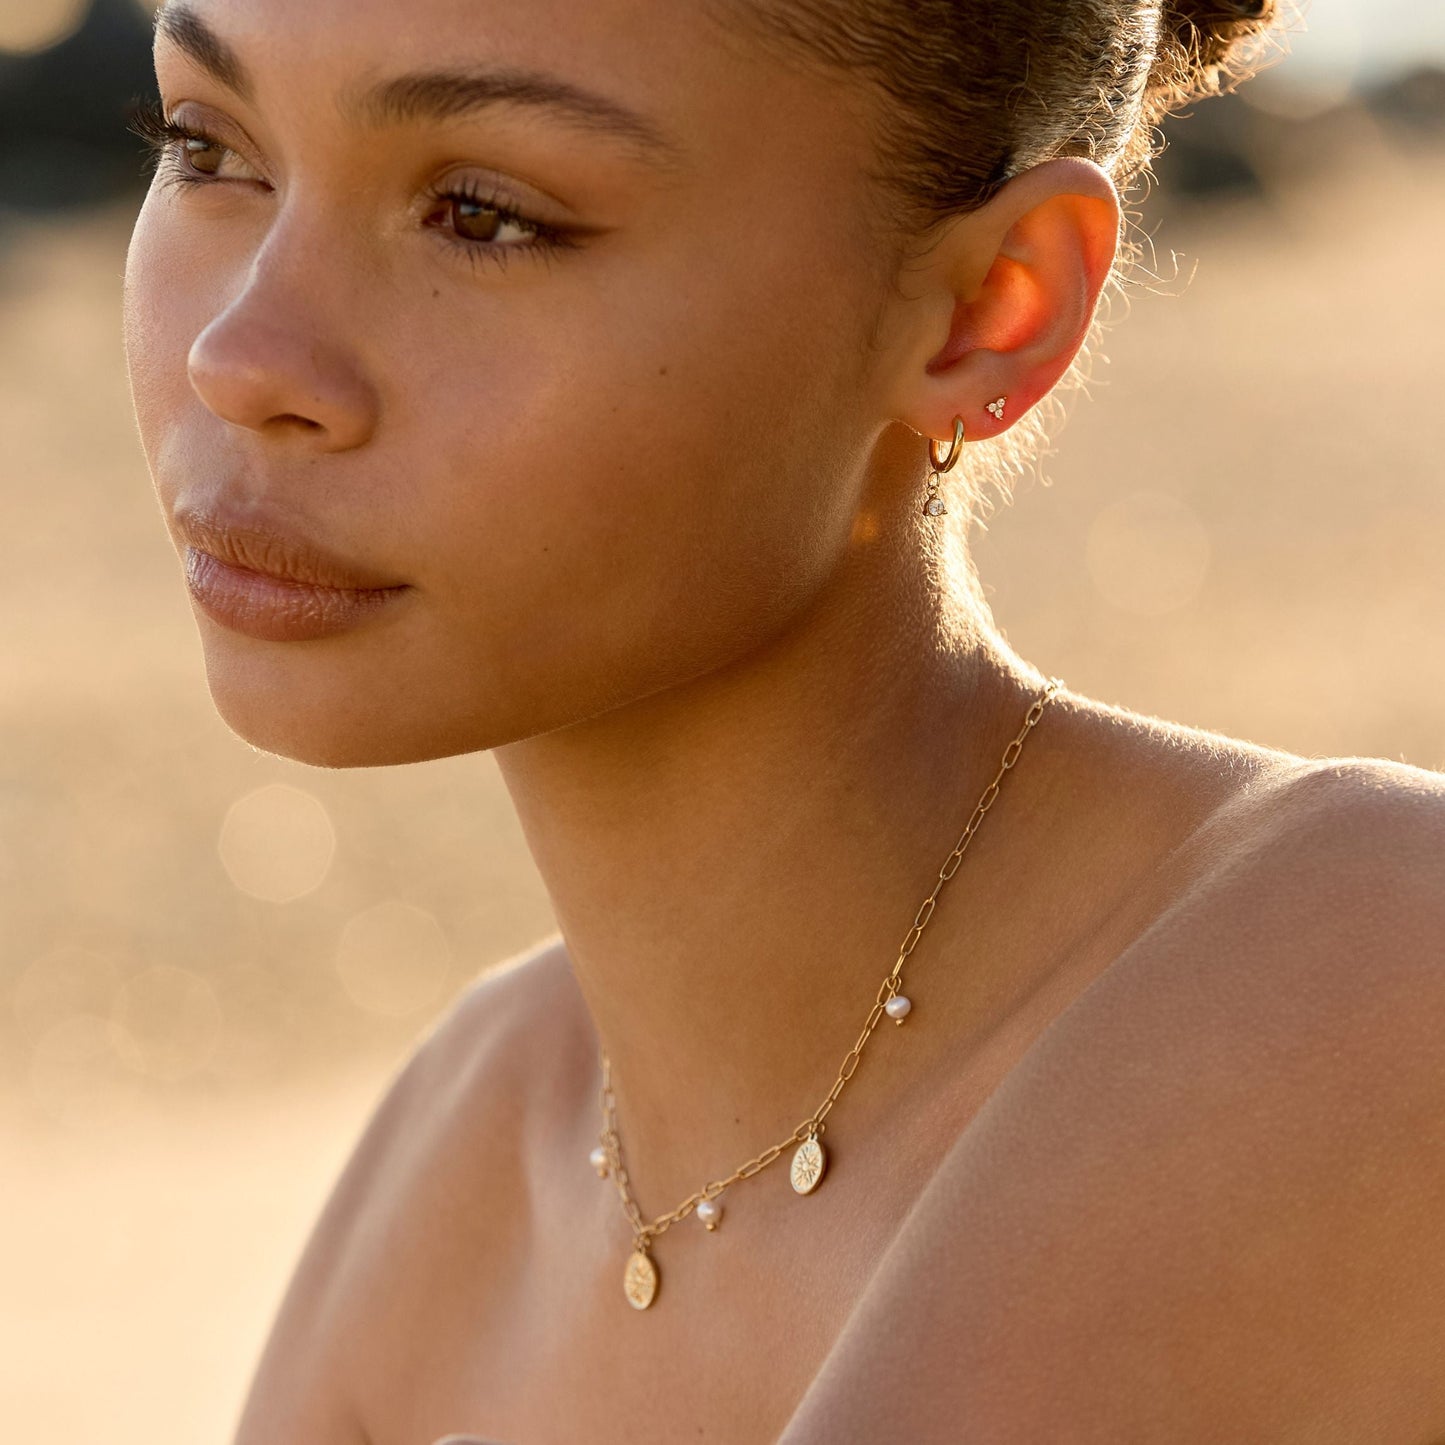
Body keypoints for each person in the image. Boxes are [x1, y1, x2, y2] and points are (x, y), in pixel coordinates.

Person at [121, 0, 1445, 1440]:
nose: (243, 355)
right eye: (209, 149)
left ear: (993, 302)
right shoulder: (466, 1139)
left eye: (483, 215)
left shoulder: (1365, 965)